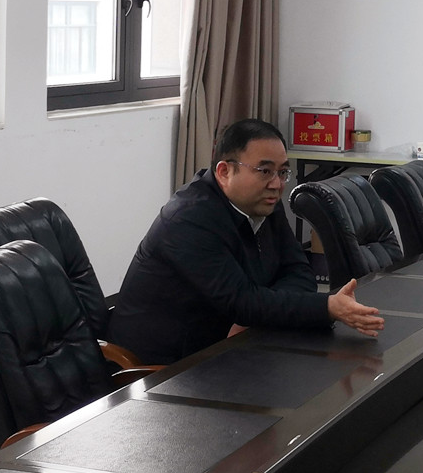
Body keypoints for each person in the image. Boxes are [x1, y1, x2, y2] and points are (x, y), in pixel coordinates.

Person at [109, 118, 384, 366]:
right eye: (264, 171)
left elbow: (299, 271)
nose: (276, 184)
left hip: (228, 347)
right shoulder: (188, 219)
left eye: (282, 172)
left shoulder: (264, 201)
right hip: (163, 367)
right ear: (224, 172)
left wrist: (255, 314)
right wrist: (327, 307)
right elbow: (241, 301)